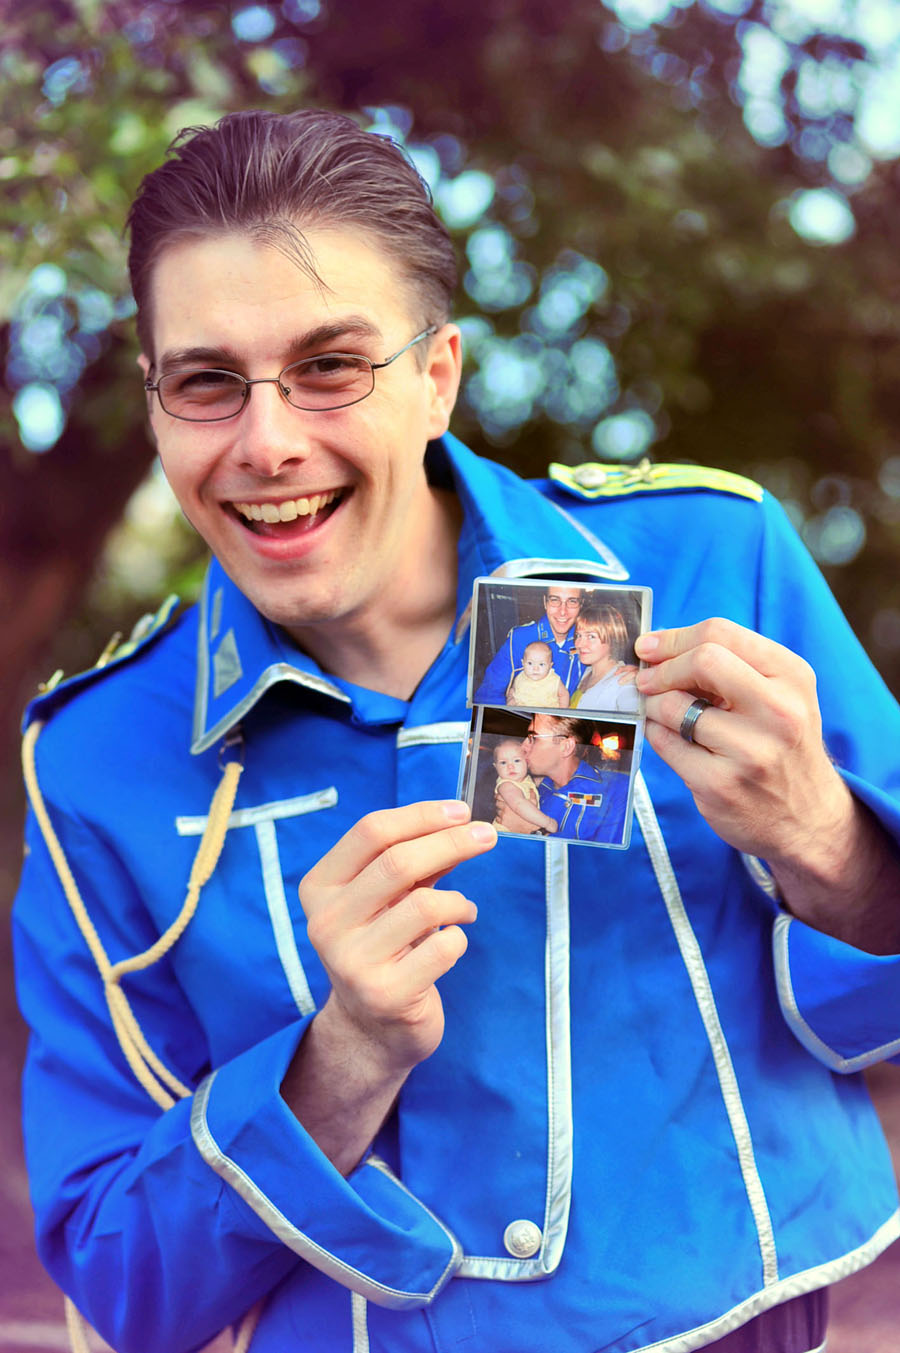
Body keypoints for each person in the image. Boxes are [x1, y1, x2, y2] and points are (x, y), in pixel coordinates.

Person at [11, 108, 900, 1353]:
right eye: (207, 382)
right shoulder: (94, 760)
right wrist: (340, 1061)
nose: (269, 443)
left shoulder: (705, 559)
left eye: (331, 367)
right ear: (156, 407)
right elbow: (125, 1286)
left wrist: (828, 843)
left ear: (438, 378)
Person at [497, 713, 630, 844]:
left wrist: (532, 832)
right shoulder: (531, 788)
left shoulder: (620, 789)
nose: (523, 747)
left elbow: (608, 857)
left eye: (533, 738)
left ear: (566, 747)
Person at [473, 584, 583, 703]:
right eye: (555, 600)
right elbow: (488, 695)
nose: (562, 612)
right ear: (545, 602)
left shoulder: (586, 642)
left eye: (572, 601)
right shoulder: (520, 638)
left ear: (581, 605)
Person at [569, 596, 639, 713]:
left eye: (591, 636)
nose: (579, 644)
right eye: (578, 635)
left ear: (612, 639)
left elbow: (636, 716)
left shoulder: (625, 681)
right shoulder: (585, 672)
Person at [490, 738, 559, 835]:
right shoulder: (506, 785)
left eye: (517, 760)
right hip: (504, 835)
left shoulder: (526, 780)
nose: (510, 766)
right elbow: (519, 804)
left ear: (527, 762)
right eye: (503, 762)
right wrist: (547, 822)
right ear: (496, 767)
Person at [507, 640, 570, 708]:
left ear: (550, 666)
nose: (535, 669)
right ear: (523, 663)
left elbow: (564, 695)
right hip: (522, 712)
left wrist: (562, 710)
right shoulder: (520, 677)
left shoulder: (554, 680)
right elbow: (512, 690)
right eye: (530, 663)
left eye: (541, 664)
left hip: (546, 712)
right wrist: (510, 699)